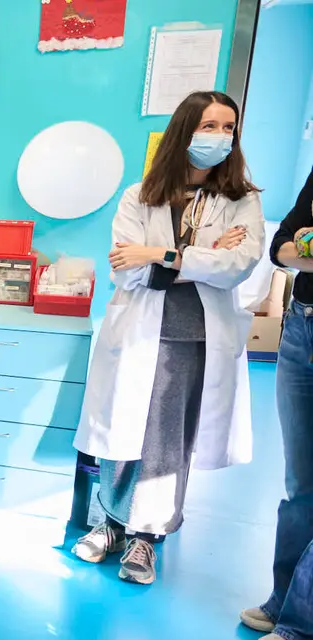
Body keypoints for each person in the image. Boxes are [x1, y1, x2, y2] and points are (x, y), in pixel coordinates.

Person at [72, 90, 263, 587]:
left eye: (228, 127)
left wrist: (161, 254)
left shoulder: (241, 200)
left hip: (194, 336)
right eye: (209, 125)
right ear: (184, 131)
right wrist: (201, 257)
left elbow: (237, 265)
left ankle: (147, 535)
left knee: (166, 438)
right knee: (120, 427)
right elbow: (125, 269)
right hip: (138, 328)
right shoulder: (139, 196)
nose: (220, 136)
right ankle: (112, 523)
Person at [239, 167, 313, 640]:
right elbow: (281, 246)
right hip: (301, 329)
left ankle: (304, 623)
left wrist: (303, 250)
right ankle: (284, 600)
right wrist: (301, 250)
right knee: (300, 484)